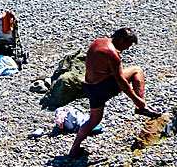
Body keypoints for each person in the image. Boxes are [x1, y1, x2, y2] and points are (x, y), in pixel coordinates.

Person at [69, 28, 161, 157]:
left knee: (93, 121)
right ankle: (142, 106)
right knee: (136, 70)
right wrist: (136, 99)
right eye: (127, 45)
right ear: (122, 40)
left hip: (89, 87)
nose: (127, 49)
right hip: (102, 88)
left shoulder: (98, 41)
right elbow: (121, 82)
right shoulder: (112, 53)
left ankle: (74, 149)